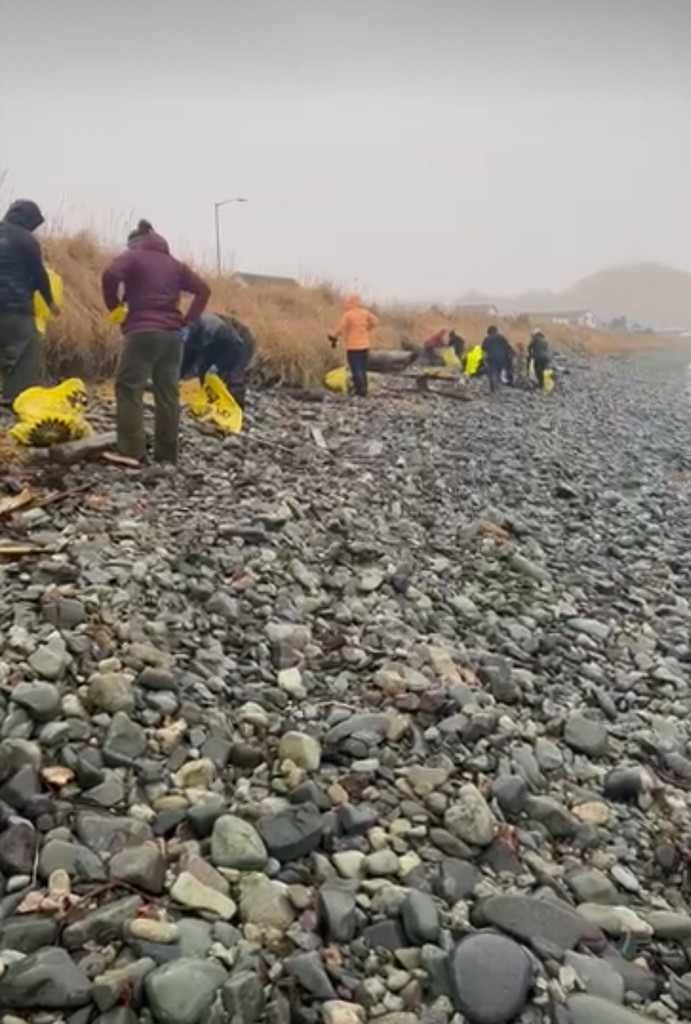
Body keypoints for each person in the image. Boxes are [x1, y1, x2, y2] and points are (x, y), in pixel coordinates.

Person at [101, 219, 210, 465]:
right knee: (168, 393)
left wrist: (114, 306)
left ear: (134, 241)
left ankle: (131, 451)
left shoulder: (133, 255)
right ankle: (167, 455)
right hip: (173, 336)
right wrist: (188, 322)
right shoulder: (174, 263)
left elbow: (110, 274)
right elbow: (203, 289)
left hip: (142, 331)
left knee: (129, 387)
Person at [0, 199, 58, 403]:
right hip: (16, 309)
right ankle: (16, 403)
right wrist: (50, 302)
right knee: (22, 357)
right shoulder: (24, 239)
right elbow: (38, 274)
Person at [180, 312, 256, 408]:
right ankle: (209, 403)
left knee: (234, 375)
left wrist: (218, 365)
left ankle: (237, 407)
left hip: (240, 341)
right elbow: (187, 360)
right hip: (216, 342)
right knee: (204, 370)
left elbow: (236, 347)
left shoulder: (212, 326)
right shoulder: (187, 336)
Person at [328, 294, 378, 397]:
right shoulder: (365, 313)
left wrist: (332, 335)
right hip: (365, 345)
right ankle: (364, 389)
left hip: (353, 346)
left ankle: (360, 391)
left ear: (350, 302)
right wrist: (367, 329)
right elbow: (375, 322)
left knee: (356, 369)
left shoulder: (348, 315)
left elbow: (340, 328)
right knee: (363, 368)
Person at [481, 324, 514, 393]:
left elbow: (483, 349)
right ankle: (497, 386)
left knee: (492, 372)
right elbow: (507, 347)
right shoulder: (502, 337)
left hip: (491, 358)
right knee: (499, 372)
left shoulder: (487, 338)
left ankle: (493, 388)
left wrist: (484, 359)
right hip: (502, 358)